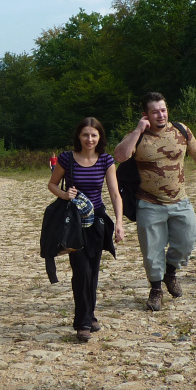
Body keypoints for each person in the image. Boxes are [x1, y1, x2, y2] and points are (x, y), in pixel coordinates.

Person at [114, 93, 196, 311]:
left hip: (180, 200)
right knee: (152, 251)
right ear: (146, 115)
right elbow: (121, 155)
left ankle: (170, 272)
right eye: (154, 111)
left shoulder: (181, 130)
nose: (160, 115)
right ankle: (156, 290)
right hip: (149, 203)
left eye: (163, 110)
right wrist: (137, 130)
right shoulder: (138, 136)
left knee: (188, 241)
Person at [49, 118, 125, 342]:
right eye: (85, 135)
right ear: (78, 137)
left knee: (93, 270)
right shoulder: (67, 158)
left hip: (97, 221)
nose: (89, 139)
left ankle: (89, 315)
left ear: (99, 137)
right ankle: (83, 322)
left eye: (93, 135)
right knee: (80, 269)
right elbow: (52, 184)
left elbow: (114, 194)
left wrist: (119, 223)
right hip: (74, 222)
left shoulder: (106, 160)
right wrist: (64, 195)